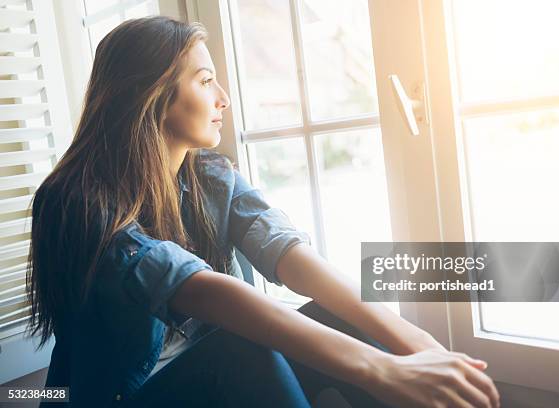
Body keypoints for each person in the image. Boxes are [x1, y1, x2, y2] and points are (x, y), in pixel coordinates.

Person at [27, 16, 500, 408]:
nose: (223, 100)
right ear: (152, 94)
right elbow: (201, 291)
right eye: (205, 80)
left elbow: (291, 256)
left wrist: (416, 346)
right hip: (117, 398)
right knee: (240, 350)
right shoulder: (73, 201)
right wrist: (380, 370)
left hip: (204, 382)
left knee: (337, 319)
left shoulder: (208, 176)